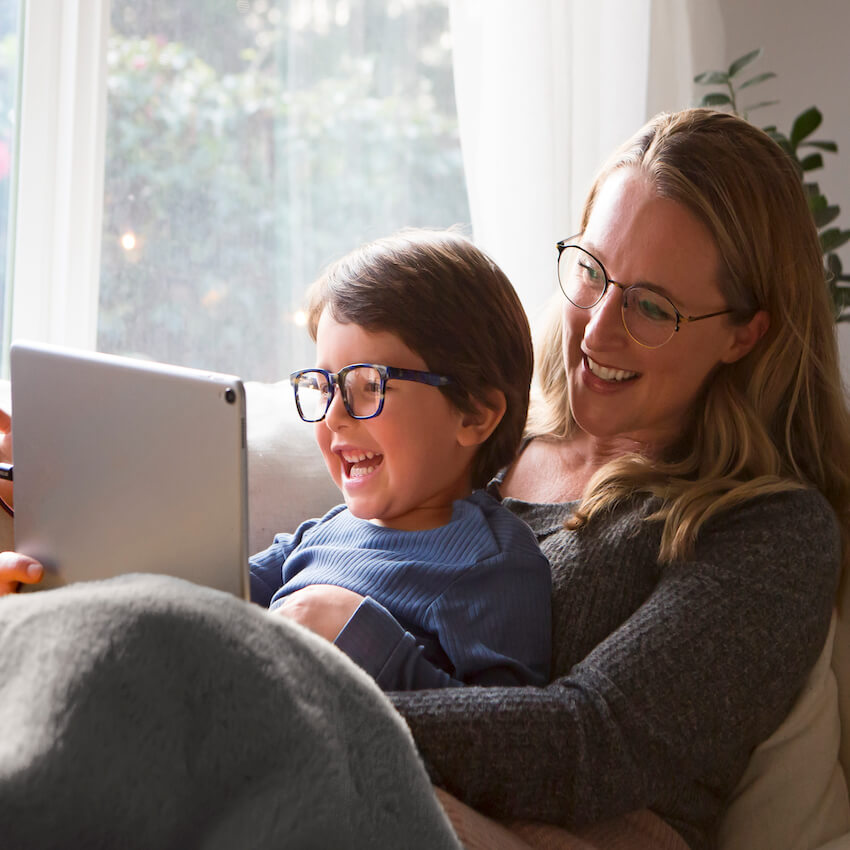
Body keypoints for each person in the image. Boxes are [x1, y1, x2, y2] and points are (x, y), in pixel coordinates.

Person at [1, 107, 848, 850]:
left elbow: (590, 744)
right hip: (362, 762)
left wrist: (282, 687)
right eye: (590, 273)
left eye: (653, 307)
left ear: (744, 333)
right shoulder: (477, 445)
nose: (596, 331)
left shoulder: (768, 529)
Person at [249, 230, 551, 690]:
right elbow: (218, 585)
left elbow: (505, 734)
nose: (334, 416)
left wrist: (362, 635)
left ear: (473, 414)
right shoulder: (323, 532)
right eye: (324, 385)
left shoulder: (492, 563)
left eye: (370, 384)